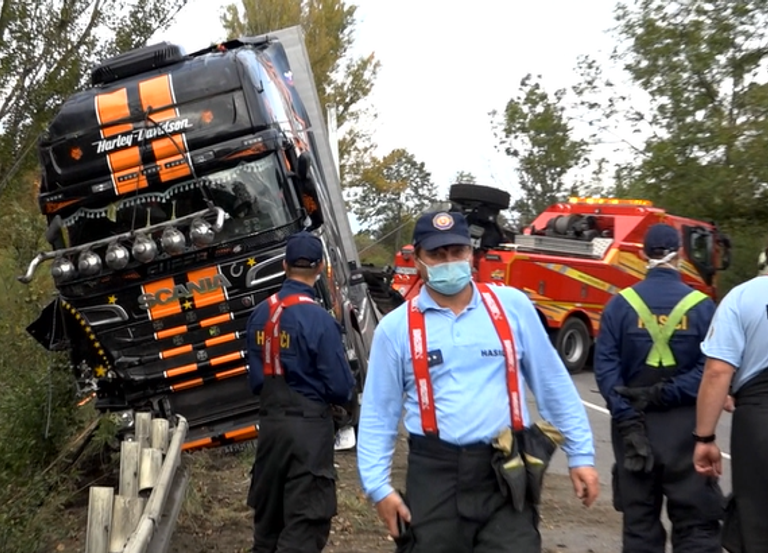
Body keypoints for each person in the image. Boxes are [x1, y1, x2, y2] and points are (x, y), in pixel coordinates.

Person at [356, 210, 599, 553]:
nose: (449, 261)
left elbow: (553, 384)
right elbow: (378, 414)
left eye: (457, 252)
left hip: (504, 471)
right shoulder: (395, 329)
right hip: (434, 475)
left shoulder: (511, 307)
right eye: (437, 255)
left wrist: (582, 455)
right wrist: (378, 487)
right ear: (418, 259)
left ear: (471, 254)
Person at [593, 223, 723, 552]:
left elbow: (606, 369)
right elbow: (710, 371)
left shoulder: (619, 306)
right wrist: (666, 392)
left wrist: (626, 417)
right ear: (680, 255)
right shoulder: (702, 306)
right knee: (696, 527)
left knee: (639, 527)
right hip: (688, 431)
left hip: (633, 433)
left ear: (642, 255)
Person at [244, 230, 356, 553]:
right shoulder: (320, 320)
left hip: (271, 431)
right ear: (320, 267)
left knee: (267, 530)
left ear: (284, 265)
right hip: (308, 432)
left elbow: (256, 381)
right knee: (304, 527)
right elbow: (340, 386)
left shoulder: (258, 316)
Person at [693, 273, 768, 553]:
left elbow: (717, 372)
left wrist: (704, 438)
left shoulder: (743, 297)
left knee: (757, 523)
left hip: (759, 421)